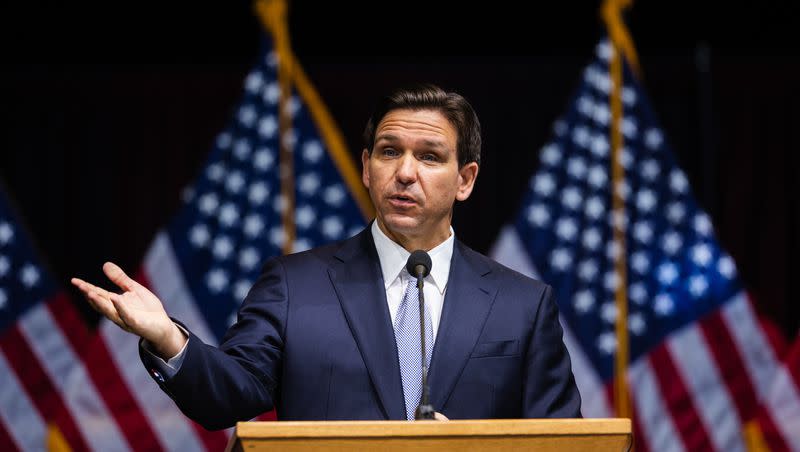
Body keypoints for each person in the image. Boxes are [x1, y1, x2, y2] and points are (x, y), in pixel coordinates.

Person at [72, 84, 581, 429]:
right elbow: (229, 396)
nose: (405, 172)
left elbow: (561, 440)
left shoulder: (523, 304)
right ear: (366, 167)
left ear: (465, 179)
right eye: (388, 151)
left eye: (429, 156)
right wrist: (167, 337)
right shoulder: (295, 284)